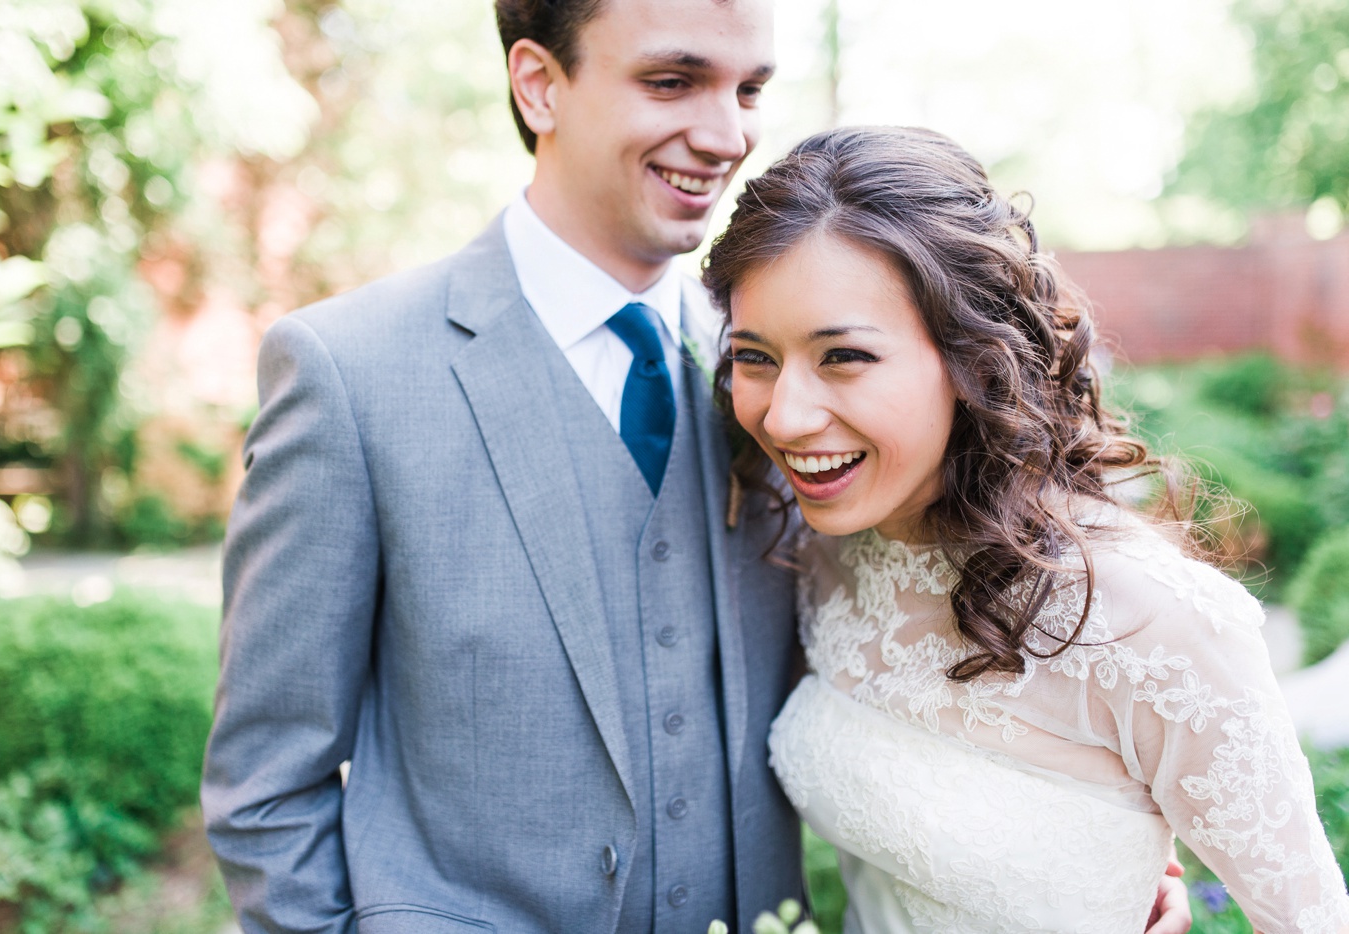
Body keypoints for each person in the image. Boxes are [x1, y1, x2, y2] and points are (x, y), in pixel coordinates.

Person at [199, 1, 804, 932]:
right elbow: (266, 783)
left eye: (750, 89)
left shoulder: (785, 374)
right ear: (538, 84)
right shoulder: (349, 372)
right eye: (673, 81)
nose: (728, 135)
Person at [704, 124, 1349, 933]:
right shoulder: (826, 547)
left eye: (844, 357)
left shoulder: (1156, 621)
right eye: (754, 357)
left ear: (975, 359)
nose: (786, 415)